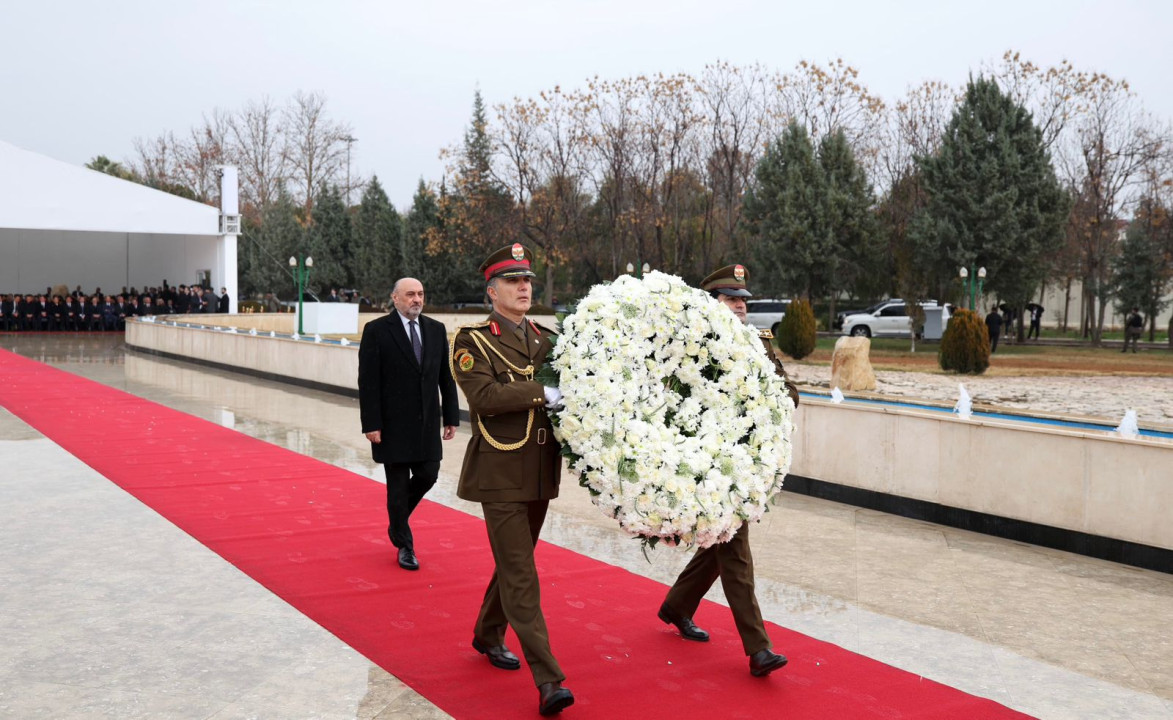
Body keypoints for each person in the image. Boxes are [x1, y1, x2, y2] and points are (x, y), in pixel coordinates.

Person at [450, 243, 574, 716]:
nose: (524, 288)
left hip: (540, 470)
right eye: (513, 282)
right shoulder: (472, 341)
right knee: (522, 573)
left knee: (512, 564)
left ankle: (486, 633)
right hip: (499, 472)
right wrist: (542, 391)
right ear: (492, 291)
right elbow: (484, 396)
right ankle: (548, 678)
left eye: (528, 281)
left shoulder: (546, 339)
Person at [656, 263, 794, 679]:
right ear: (709, 303)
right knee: (736, 553)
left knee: (723, 542)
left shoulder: (760, 343)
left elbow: (786, 392)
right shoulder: (691, 347)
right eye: (730, 299)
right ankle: (758, 648)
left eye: (742, 301)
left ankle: (677, 606)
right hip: (710, 466)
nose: (739, 307)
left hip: (747, 464)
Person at [359, 277, 460, 571]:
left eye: (420, 294)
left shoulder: (436, 329)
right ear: (395, 298)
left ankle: (396, 521)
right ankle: (405, 545)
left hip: (427, 424)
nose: (417, 299)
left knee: (429, 474)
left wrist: (451, 416)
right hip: (392, 426)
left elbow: (446, 375)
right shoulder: (377, 331)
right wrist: (371, 423)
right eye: (410, 294)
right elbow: (368, 382)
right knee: (398, 486)